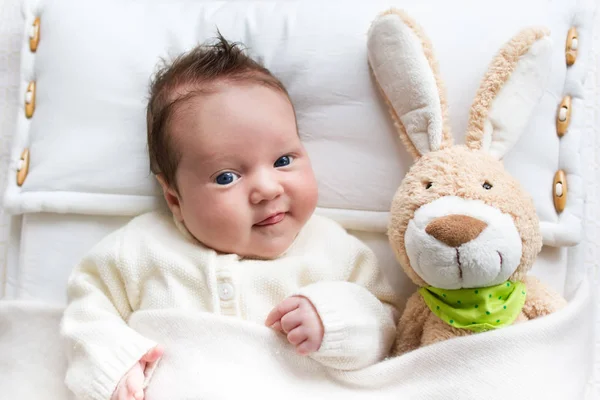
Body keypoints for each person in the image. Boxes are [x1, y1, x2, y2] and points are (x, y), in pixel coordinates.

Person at [61, 35, 399, 400]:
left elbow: (386, 324)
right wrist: (113, 365)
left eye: (283, 160)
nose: (268, 189)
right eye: (227, 177)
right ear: (174, 198)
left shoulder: (333, 250)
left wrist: (334, 322)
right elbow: (88, 310)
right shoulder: (139, 249)